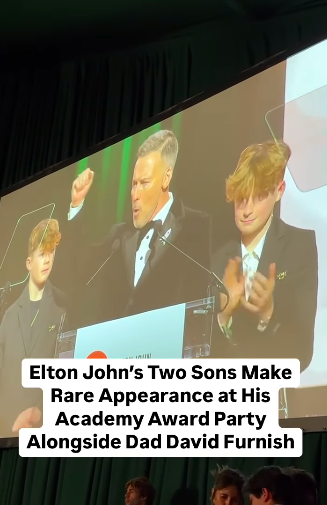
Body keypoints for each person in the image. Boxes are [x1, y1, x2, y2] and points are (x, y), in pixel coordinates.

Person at [65, 129, 212, 329]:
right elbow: (79, 267)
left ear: (166, 178)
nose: (134, 194)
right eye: (133, 184)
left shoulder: (196, 226)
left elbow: (200, 301)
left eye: (144, 183)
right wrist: (76, 205)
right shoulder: (119, 236)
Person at [211, 140, 318, 371]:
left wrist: (268, 315)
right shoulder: (217, 258)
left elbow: (302, 353)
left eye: (259, 196)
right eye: (241, 197)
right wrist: (224, 315)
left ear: (279, 191)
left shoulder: (299, 246)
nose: (246, 210)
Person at [0, 219, 66, 437]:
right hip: (6, 430)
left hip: (41, 430)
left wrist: (41, 414)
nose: (47, 260)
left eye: (51, 252)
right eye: (42, 254)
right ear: (29, 262)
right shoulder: (9, 316)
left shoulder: (61, 309)